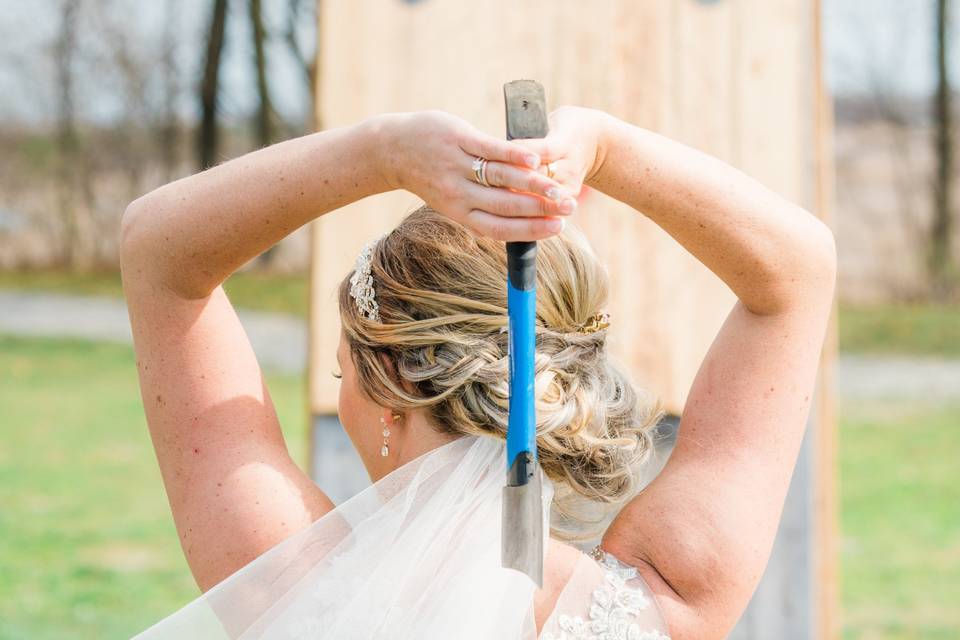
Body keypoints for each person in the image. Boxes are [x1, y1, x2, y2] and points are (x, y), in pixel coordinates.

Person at [121, 106, 836, 639]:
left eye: (345, 377)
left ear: (392, 390)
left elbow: (156, 252)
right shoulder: (663, 605)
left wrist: (383, 152)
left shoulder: (286, 585)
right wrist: (603, 147)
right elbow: (799, 272)